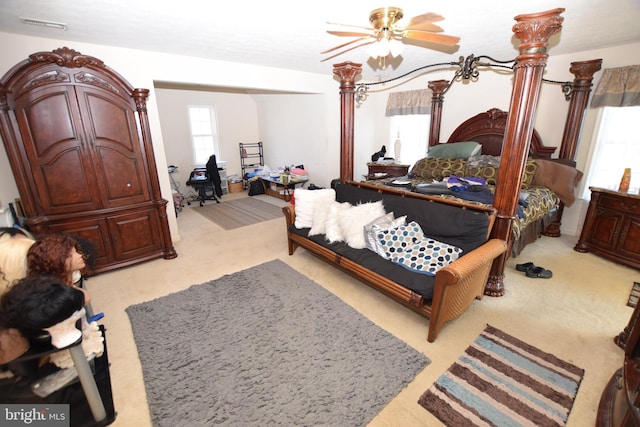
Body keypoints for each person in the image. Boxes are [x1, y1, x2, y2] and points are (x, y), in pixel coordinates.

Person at [26, 235, 91, 305]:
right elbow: (86, 298)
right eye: (70, 255)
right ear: (55, 262)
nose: (80, 255)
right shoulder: (59, 299)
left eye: (76, 251)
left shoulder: (66, 286)